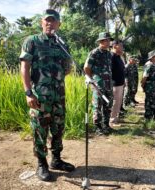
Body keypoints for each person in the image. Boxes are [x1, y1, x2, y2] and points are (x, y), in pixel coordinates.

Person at [20, 9, 75, 181]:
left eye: (54, 21)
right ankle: (42, 164)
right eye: (47, 20)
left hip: (59, 96)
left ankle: (56, 160)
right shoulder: (32, 41)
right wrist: (29, 92)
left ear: (59, 24)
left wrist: (55, 80)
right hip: (40, 97)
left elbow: (67, 68)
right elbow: (24, 68)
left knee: (58, 128)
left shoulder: (62, 44)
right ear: (41, 23)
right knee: (40, 129)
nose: (50, 23)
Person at [84, 32, 115, 135]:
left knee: (108, 104)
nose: (108, 42)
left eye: (109, 40)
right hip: (98, 84)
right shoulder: (94, 53)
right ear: (101, 41)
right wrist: (91, 79)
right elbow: (87, 68)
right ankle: (98, 128)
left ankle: (106, 125)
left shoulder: (108, 54)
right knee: (97, 106)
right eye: (107, 40)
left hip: (108, 84)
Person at [110, 40, 125, 124]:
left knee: (118, 102)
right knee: (115, 102)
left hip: (120, 83)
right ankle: (112, 119)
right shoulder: (111, 56)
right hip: (114, 84)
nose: (122, 47)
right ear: (115, 46)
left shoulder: (118, 56)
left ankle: (115, 117)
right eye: (121, 46)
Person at [141, 51, 155, 120]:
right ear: (151, 57)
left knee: (153, 100)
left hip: (154, 86)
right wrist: (143, 85)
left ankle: (152, 115)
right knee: (149, 101)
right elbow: (145, 76)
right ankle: (148, 116)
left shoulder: (154, 64)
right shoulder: (149, 65)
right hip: (149, 87)